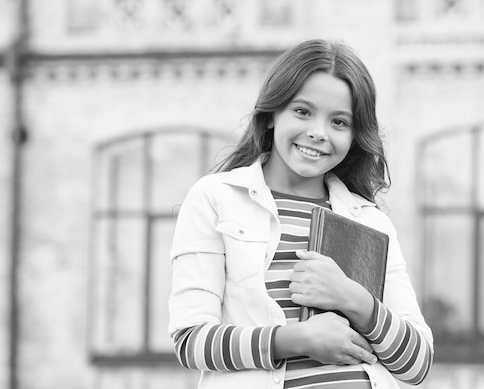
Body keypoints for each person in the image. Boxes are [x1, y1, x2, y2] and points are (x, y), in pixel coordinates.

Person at [168, 39, 433, 389]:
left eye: (339, 122)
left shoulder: (371, 221)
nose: (318, 133)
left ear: (355, 136)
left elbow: (417, 364)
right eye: (303, 111)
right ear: (272, 114)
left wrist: (352, 298)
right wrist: (297, 340)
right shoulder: (216, 199)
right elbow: (191, 341)